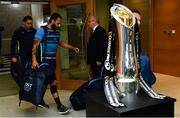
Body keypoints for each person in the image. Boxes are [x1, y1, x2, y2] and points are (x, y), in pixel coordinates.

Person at [31, 12, 79, 115]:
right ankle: (59, 106)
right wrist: (34, 60)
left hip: (52, 61)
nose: (59, 25)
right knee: (53, 81)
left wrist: (72, 47)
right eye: (58, 23)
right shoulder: (42, 30)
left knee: (45, 82)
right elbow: (34, 46)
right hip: (44, 61)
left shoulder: (56, 31)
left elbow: (60, 43)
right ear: (52, 20)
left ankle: (39, 100)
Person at [132, 9, 156, 87]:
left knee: (145, 55)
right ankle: (148, 84)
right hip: (126, 57)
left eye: (140, 20)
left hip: (135, 55)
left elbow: (137, 48)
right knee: (144, 59)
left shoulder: (137, 32)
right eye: (136, 20)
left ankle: (149, 80)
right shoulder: (122, 30)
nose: (139, 23)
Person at [10, 16, 36, 86]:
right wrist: (13, 56)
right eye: (28, 23)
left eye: (31, 23)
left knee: (32, 70)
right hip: (23, 55)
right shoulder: (18, 31)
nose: (30, 25)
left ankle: (31, 86)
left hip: (32, 54)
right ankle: (24, 86)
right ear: (24, 23)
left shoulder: (34, 31)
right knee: (23, 71)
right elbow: (13, 44)